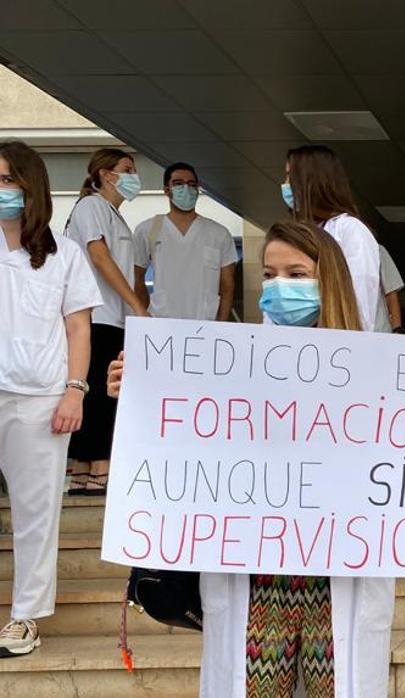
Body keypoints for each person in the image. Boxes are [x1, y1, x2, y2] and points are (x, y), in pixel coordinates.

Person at [107, 220, 405, 697]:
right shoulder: (229, 362)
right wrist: (142, 391)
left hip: (338, 574)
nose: (279, 287)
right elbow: (186, 440)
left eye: (296, 274)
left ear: (327, 279)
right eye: (269, 274)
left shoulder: (378, 367)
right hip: (254, 578)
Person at [0, 142, 102, 657]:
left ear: (29, 186)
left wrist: (75, 391)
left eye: (6, 181)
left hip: (41, 400)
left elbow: (79, 329)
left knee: (36, 511)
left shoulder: (64, 252)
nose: (0, 191)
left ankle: (25, 617)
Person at [63, 147, 147, 496]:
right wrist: (136, 304)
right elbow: (99, 255)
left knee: (99, 391)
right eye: (127, 169)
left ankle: (84, 469)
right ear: (106, 175)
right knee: (100, 393)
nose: (133, 177)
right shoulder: (92, 206)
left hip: (112, 319)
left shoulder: (112, 214)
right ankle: (98, 467)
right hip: (99, 317)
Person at [283, 144, 380, 331]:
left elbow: (359, 303)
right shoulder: (297, 232)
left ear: (312, 180)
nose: (285, 184)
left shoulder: (350, 231)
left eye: (289, 177)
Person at [133, 161, 237, 322]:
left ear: (197, 189)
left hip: (206, 322)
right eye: (178, 184)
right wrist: (146, 318)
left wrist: (221, 325)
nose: (186, 189)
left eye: (191, 184)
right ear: (167, 190)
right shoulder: (148, 229)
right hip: (162, 321)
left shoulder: (219, 233)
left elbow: (227, 285)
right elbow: (136, 277)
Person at [377, 245, 404, 332]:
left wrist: (397, 330)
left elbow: (391, 294)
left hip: (380, 330)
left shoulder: (377, 249)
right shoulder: (337, 250)